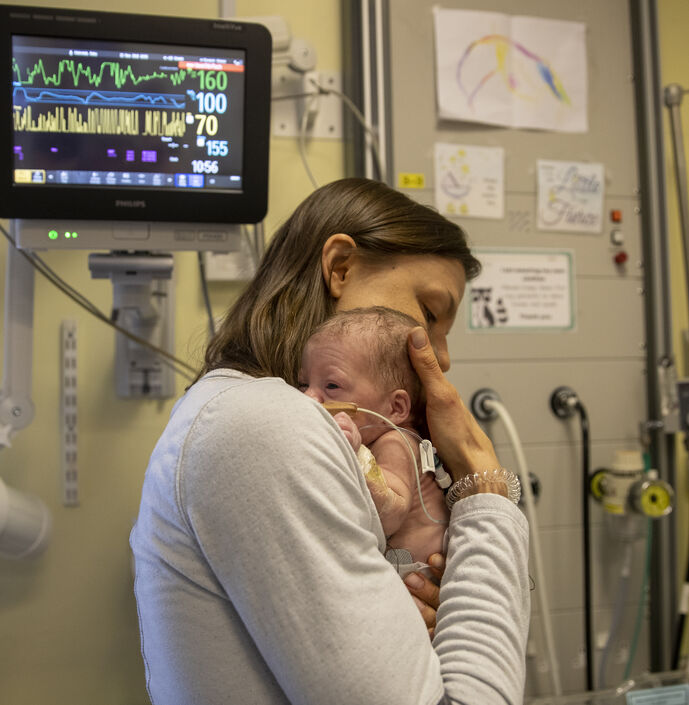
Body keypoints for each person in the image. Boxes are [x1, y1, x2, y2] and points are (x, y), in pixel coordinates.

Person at [130, 177, 530, 705]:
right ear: (340, 267)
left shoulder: (257, 417)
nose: (444, 357)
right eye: (430, 314)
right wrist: (486, 489)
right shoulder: (262, 424)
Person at [298, 306, 449, 572]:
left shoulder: (396, 442)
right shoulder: (376, 438)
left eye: (331, 386)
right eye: (303, 384)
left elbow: (390, 514)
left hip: (420, 574)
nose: (309, 398)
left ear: (396, 408)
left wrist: (353, 454)